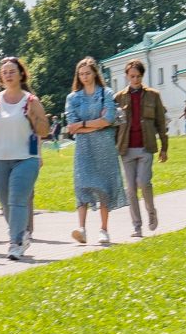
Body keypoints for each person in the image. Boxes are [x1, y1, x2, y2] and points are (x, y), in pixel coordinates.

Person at [0, 57, 51, 261]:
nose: (8, 75)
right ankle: (21, 234)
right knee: (5, 205)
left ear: (21, 74)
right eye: (4, 72)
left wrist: (32, 118)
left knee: (17, 201)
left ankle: (15, 242)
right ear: (0, 77)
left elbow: (44, 130)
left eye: (12, 71)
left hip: (24, 159)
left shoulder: (31, 101)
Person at [62, 57, 126, 246]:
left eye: (88, 73)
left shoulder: (106, 93)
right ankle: (81, 228)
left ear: (95, 73)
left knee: (104, 186)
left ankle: (103, 229)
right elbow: (71, 125)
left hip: (105, 147)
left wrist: (83, 125)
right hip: (84, 147)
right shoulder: (73, 98)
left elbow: (109, 118)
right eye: (81, 74)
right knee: (82, 184)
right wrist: (94, 125)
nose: (85, 77)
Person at [116, 61, 171, 235]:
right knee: (130, 188)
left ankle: (152, 212)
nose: (135, 80)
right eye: (132, 76)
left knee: (143, 182)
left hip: (146, 146)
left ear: (142, 76)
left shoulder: (153, 96)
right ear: (127, 76)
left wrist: (164, 147)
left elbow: (161, 123)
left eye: (138, 76)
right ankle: (137, 225)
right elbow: (114, 126)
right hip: (126, 148)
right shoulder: (119, 98)